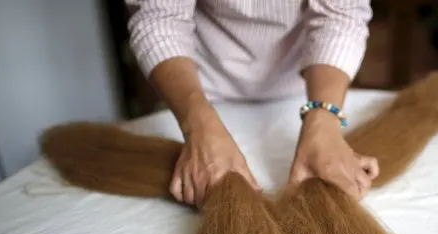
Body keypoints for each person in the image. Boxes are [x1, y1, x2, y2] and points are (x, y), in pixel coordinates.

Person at [125, 0, 379, 208]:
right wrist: (197, 125)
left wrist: (324, 118)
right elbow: (160, 19)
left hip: (303, 85)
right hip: (200, 84)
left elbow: (341, 15)